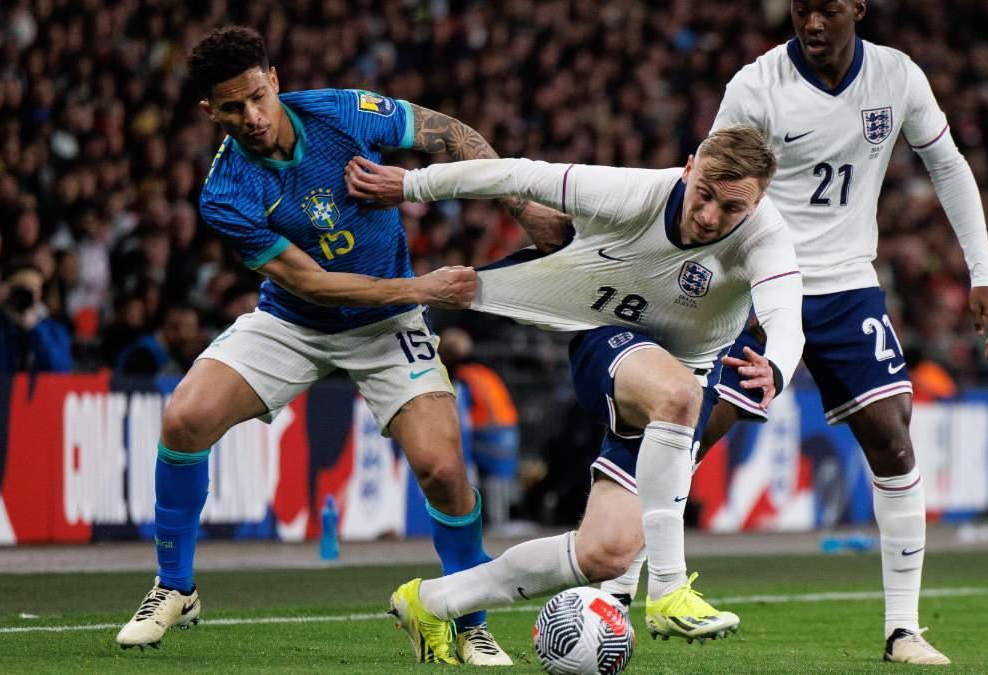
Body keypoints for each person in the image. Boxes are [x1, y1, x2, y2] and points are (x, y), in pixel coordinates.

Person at [115, 26, 570, 666]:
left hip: (386, 328)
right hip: (295, 322)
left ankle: (469, 619)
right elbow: (313, 284)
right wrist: (420, 286)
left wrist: (522, 208)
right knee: (184, 418)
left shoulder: (340, 112)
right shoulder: (227, 193)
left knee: (442, 470)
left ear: (275, 81)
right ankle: (174, 587)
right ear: (209, 112)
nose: (250, 117)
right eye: (230, 108)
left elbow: (454, 135)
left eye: (256, 98)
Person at [606, 1, 988, 665]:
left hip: (847, 286)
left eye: (826, 7)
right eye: (800, 7)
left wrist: (982, 271)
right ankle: (616, 589)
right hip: (759, 283)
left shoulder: (897, 77)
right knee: (692, 429)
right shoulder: (755, 87)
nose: (811, 20)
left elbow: (948, 164)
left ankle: (902, 629)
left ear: (857, 7)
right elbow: (706, 189)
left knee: (893, 433)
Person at [345, 126, 804, 653]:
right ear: (689, 166)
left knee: (604, 553)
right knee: (678, 395)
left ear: (758, 200)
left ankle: (432, 601)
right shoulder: (636, 194)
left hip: (681, 387)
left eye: (731, 208)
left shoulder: (764, 236)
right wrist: (411, 185)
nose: (709, 216)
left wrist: (777, 366)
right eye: (704, 194)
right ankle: (670, 590)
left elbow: (788, 318)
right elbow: (518, 174)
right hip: (609, 343)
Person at [437, 327, 522, 531]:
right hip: (508, 428)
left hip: (486, 431)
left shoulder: (462, 377)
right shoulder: (485, 372)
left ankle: (490, 522)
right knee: (500, 479)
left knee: (475, 476)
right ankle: (500, 520)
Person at [0, 267, 73, 373]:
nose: (30, 293)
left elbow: (60, 369)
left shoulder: (52, 328)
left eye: (35, 288)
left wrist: (35, 330)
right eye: (24, 287)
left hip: (37, 395)